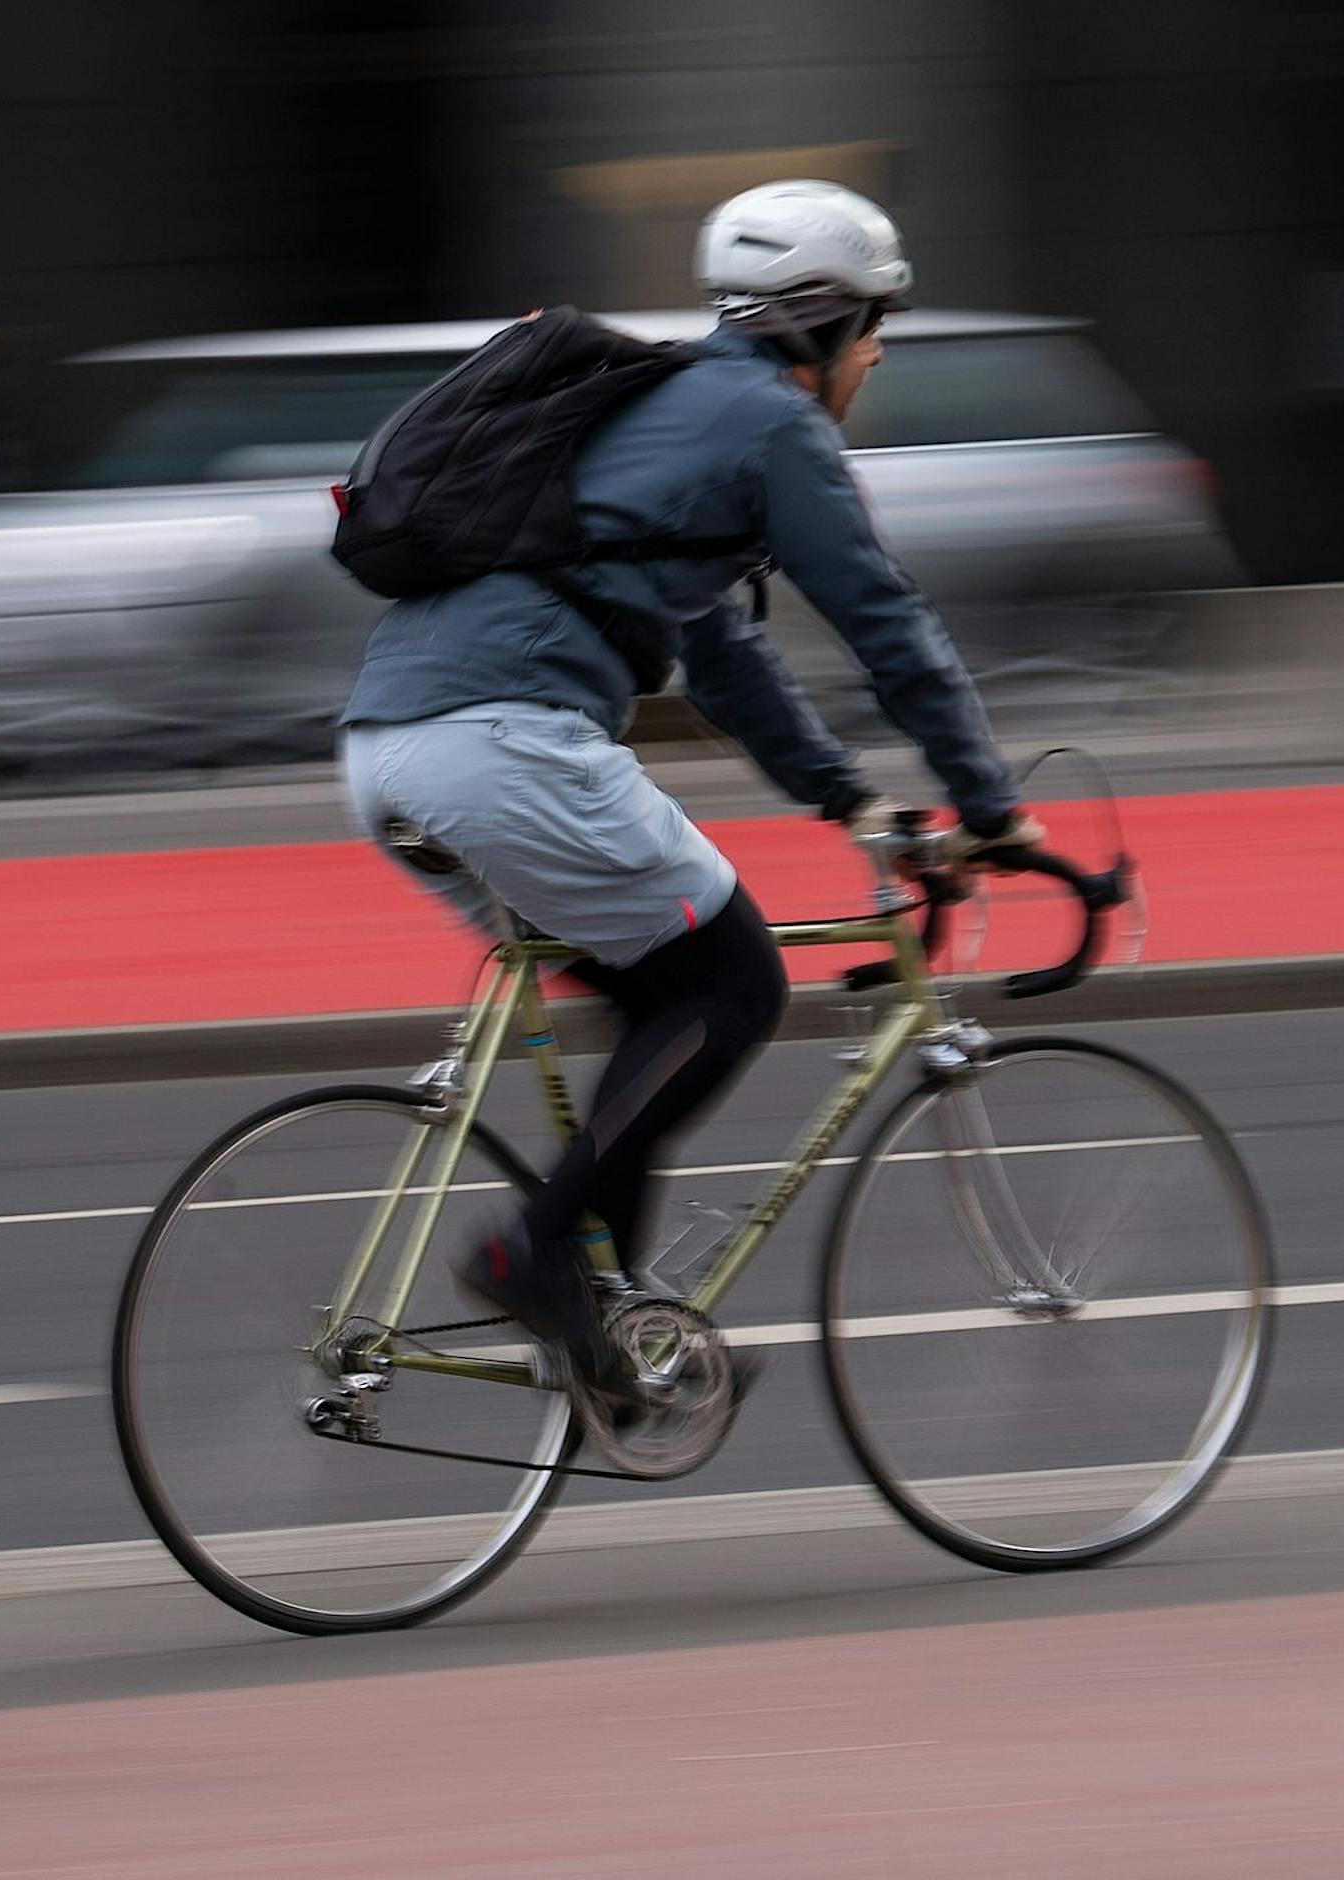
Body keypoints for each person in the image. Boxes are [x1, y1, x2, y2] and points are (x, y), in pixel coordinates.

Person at [339, 178, 1039, 1416]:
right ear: (819, 323)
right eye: (875, 324)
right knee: (735, 981)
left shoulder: (660, 406)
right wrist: (988, 807)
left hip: (386, 747)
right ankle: (535, 1254)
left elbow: (724, 658)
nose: (876, 353)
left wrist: (852, 800)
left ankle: (603, 1332)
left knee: (658, 997)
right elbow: (885, 619)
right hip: (505, 741)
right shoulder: (772, 426)